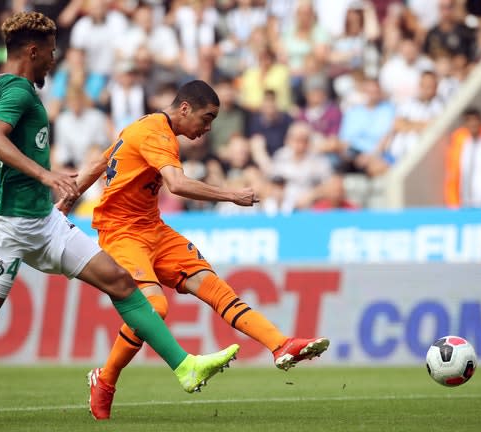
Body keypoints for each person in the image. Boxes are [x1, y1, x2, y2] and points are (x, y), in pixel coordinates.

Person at [0, 11, 239, 397]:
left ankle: (184, 367)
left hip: (44, 221)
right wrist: (45, 175)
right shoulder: (18, 92)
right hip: (10, 226)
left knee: (120, 283)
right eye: (51, 53)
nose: (54, 60)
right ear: (33, 51)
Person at [57, 79, 330, 420]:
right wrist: (232, 195)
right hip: (121, 233)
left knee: (214, 286)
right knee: (153, 307)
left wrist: (67, 200)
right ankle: (105, 379)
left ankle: (280, 344)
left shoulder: (146, 128)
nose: (207, 128)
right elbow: (177, 184)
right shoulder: (155, 132)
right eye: (207, 117)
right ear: (184, 108)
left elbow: (102, 160)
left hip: (153, 228)